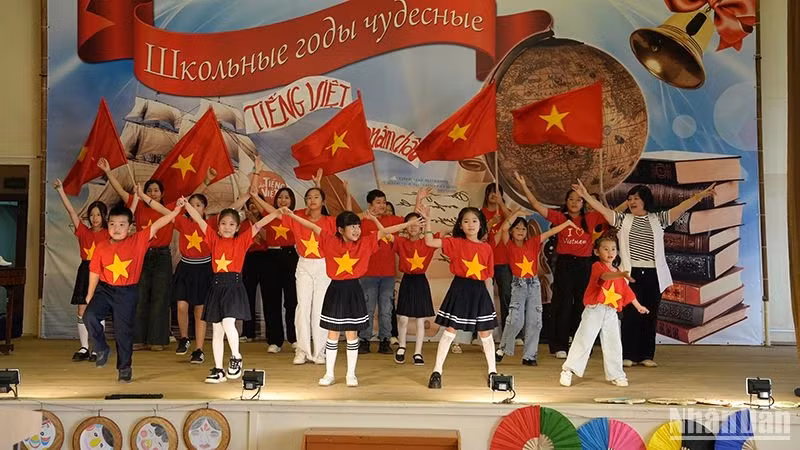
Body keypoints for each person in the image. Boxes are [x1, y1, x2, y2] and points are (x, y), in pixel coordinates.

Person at [572, 179, 715, 367]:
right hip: (630, 274)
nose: (632, 202)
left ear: (645, 200)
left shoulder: (659, 219)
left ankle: (646, 355)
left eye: (636, 198)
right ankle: (628, 355)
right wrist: (584, 196)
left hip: (654, 273)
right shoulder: (623, 219)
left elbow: (681, 208)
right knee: (631, 314)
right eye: (630, 198)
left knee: (650, 314)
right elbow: (603, 211)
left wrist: (700, 195)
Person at [283, 208, 416, 386]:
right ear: (340, 229)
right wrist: (292, 216)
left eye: (358, 226)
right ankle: (329, 374)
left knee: (352, 334)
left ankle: (350, 374)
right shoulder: (330, 241)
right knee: (333, 333)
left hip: (354, 290)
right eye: (351, 227)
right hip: (335, 290)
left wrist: (408, 224)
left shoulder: (365, 242)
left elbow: (384, 232)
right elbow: (313, 226)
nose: (356, 230)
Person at [98, 157, 215, 351]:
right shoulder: (137, 205)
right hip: (141, 255)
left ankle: (157, 340)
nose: (153, 192)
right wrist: (109, 171)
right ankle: (138, 339)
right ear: (145, 192)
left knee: (161, 298)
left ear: (162, 194)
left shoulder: (169, 208)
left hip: (162, 257)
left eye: (156, 190)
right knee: (140, 296)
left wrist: (207, 180)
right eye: (149, 190)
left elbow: (192, 200)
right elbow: (119, 189)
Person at [84, 201, 183, 382]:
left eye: (122, 225)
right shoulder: (101, 247)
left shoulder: (138, 240)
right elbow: (94, 271)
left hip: (127, 292)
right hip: (105, 290)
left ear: (130, 227)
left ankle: (124, 368)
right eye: (112, 224)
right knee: (89, 316)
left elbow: (159, 224)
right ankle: (101, 347)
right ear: (108, 225)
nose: (117, 228)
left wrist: (176, 211)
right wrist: (90, 295)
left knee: (124, 332)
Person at [512, 171, 607, 359]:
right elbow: (536, 206)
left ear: (584, 203)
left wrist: (624, 203)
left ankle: (580, 344)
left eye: (579, 200)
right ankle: (559, 345)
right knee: (562, 305)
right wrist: (523, 185)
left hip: (585, 266)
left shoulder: (591, 218)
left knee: (583, 304)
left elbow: (610, 214)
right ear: (566, 201)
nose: (574, 202)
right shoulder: (560, 218)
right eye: (571, 199)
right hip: (564, 265)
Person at [183, 200, 281, 383]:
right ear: (218, 227)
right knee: (217, 330)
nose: (227, 227)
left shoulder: (242, 240)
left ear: (237, 227)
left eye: (231, 224)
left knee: (229, 323)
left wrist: (275, 214)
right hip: (216, 287)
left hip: (233, 287)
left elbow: (259, 224)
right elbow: (199, 220)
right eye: (223, 223)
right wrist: (186, 205)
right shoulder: (213, 238)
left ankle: (236, 357)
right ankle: (219, 369)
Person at [421, 206, 498, 389]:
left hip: (479, 291)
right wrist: (429, 221)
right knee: (450, 330)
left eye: (474, 221)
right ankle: (437, 372)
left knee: (485, 333)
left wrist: (488, 301)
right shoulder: (455, 242)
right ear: (460, 226)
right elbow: (430, 242)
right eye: (465, 221)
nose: (470, 225)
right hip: (460, 288)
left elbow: (488, 276)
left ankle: (492, 372)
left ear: (481, 225)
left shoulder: (487, 248)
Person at [559, 233, 650, 387]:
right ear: (596, 252)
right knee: (584, 339)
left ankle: (617, 374)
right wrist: (620, 274)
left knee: (613, 342)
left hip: (610, 311)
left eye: (613, 249)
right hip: (595, 309)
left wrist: (638, 306)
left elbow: (626, 292)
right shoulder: (597, 267)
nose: (610, 252)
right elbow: (605, 277)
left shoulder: (617, 271)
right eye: (606, 249)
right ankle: (568, 370)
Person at [495, 209, 578, 366]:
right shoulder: (509, 244)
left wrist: (566, 223)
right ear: (512, 231)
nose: (520, 231)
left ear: (527, 232)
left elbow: (552, 231)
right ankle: (502, 349)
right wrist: (516, 213)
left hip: (533, 285)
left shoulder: (533, 242)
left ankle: (529, 356)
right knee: (515, 320)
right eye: (517, 228)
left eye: (523, 228)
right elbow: (504, 228)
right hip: (518, 284)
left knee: (535, 321)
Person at [53, 179, 110, 361]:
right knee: (82, 310)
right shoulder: (83, 231)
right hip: (85, 271)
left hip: (101, 273)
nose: (94, 218)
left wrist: (135, 199)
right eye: (92, 215)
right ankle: (84, 347)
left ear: (104, 217)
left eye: (98, 215)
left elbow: (129, 216)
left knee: (98, 311)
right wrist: (61, 190)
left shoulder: (109, 233)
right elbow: (71, 210)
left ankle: (97, 347)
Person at [249, 180, 300, 353]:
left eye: (287, 197)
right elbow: (254, 195)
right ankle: (275, 341)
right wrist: (256, 172)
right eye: (280, 197)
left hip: (290, 257)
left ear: (292, 201)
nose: (283, 200)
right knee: (271, 301)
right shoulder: (268, 215)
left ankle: (294, 338)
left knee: (292, 301)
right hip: (270, 258)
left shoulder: (296, 216)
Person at [354, 189, 404, 354]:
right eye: (378, 202)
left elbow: (411, 220)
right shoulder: (362, 222)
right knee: (367, 307)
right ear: (370, 205)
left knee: (386, 308)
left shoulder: (391, 221)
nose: (382, 205)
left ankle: (385, 340)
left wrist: (418, 200)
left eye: (383, 202)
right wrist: (365, 215)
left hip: (388, 275)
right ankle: (364, 340)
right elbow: (346, 218)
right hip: (368, 274)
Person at [392, 210, 438, 365]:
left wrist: (427, 220)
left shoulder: (428, 241)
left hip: (420, 282)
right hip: (407, 280)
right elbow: (384, 233)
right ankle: (402, 346)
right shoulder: (400, 241)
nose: (413, 227)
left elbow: (445, 232)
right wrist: (406, 223)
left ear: (422, 227)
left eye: (416, 224)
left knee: (420, 320)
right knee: (403, 318)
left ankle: (418, 352)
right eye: (410, 224)